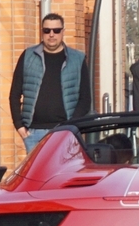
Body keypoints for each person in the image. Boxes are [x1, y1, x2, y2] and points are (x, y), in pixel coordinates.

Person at [9, 13, 91, 153]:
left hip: (65, 132)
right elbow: (14, 93)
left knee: (65, 174)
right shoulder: (28, 56)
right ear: (42, 32)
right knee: (37, 174)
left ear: (63, 32)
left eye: (56, 30)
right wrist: (19, 126)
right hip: (33, 133)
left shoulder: (77, 59)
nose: (51, 34)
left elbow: (85, 99)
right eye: (47, 30)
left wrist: (71, 127)